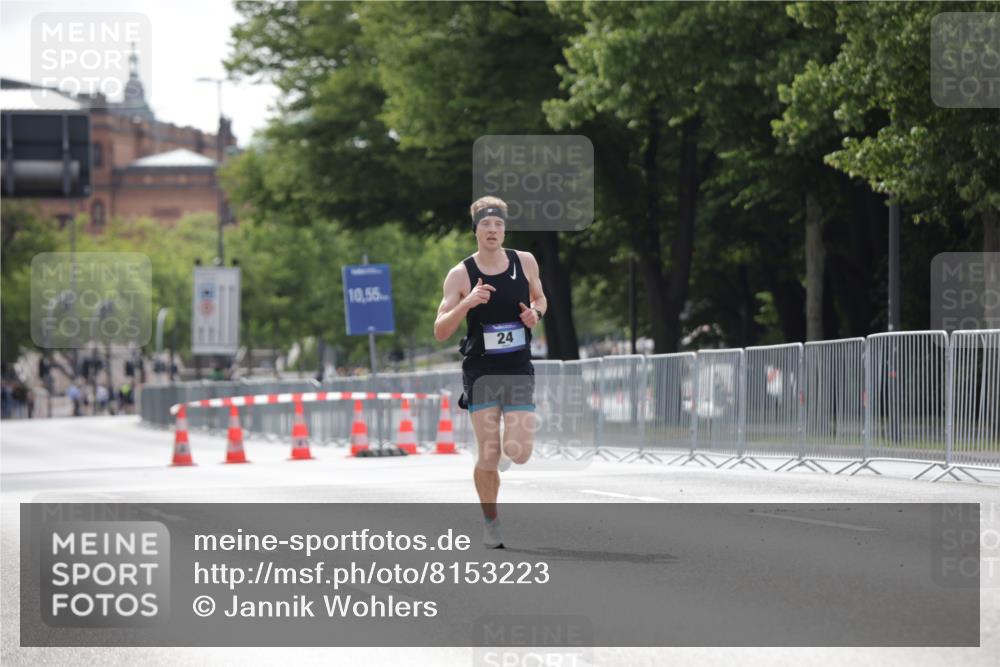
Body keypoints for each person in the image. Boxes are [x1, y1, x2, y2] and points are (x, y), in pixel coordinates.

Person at [434, 196, 547, 548]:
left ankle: (503, 451)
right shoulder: (461, 274)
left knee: (520, 453)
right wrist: (467, 303)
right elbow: (440, 329)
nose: (493, 230)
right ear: (476, 230)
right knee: (488, 454)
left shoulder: (524, 262)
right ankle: (490, 521)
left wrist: (535, 314)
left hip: (516, 367)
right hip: (481, 370)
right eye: (486, 224)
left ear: (504, 228)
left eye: (498, 224)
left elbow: (540, 299)